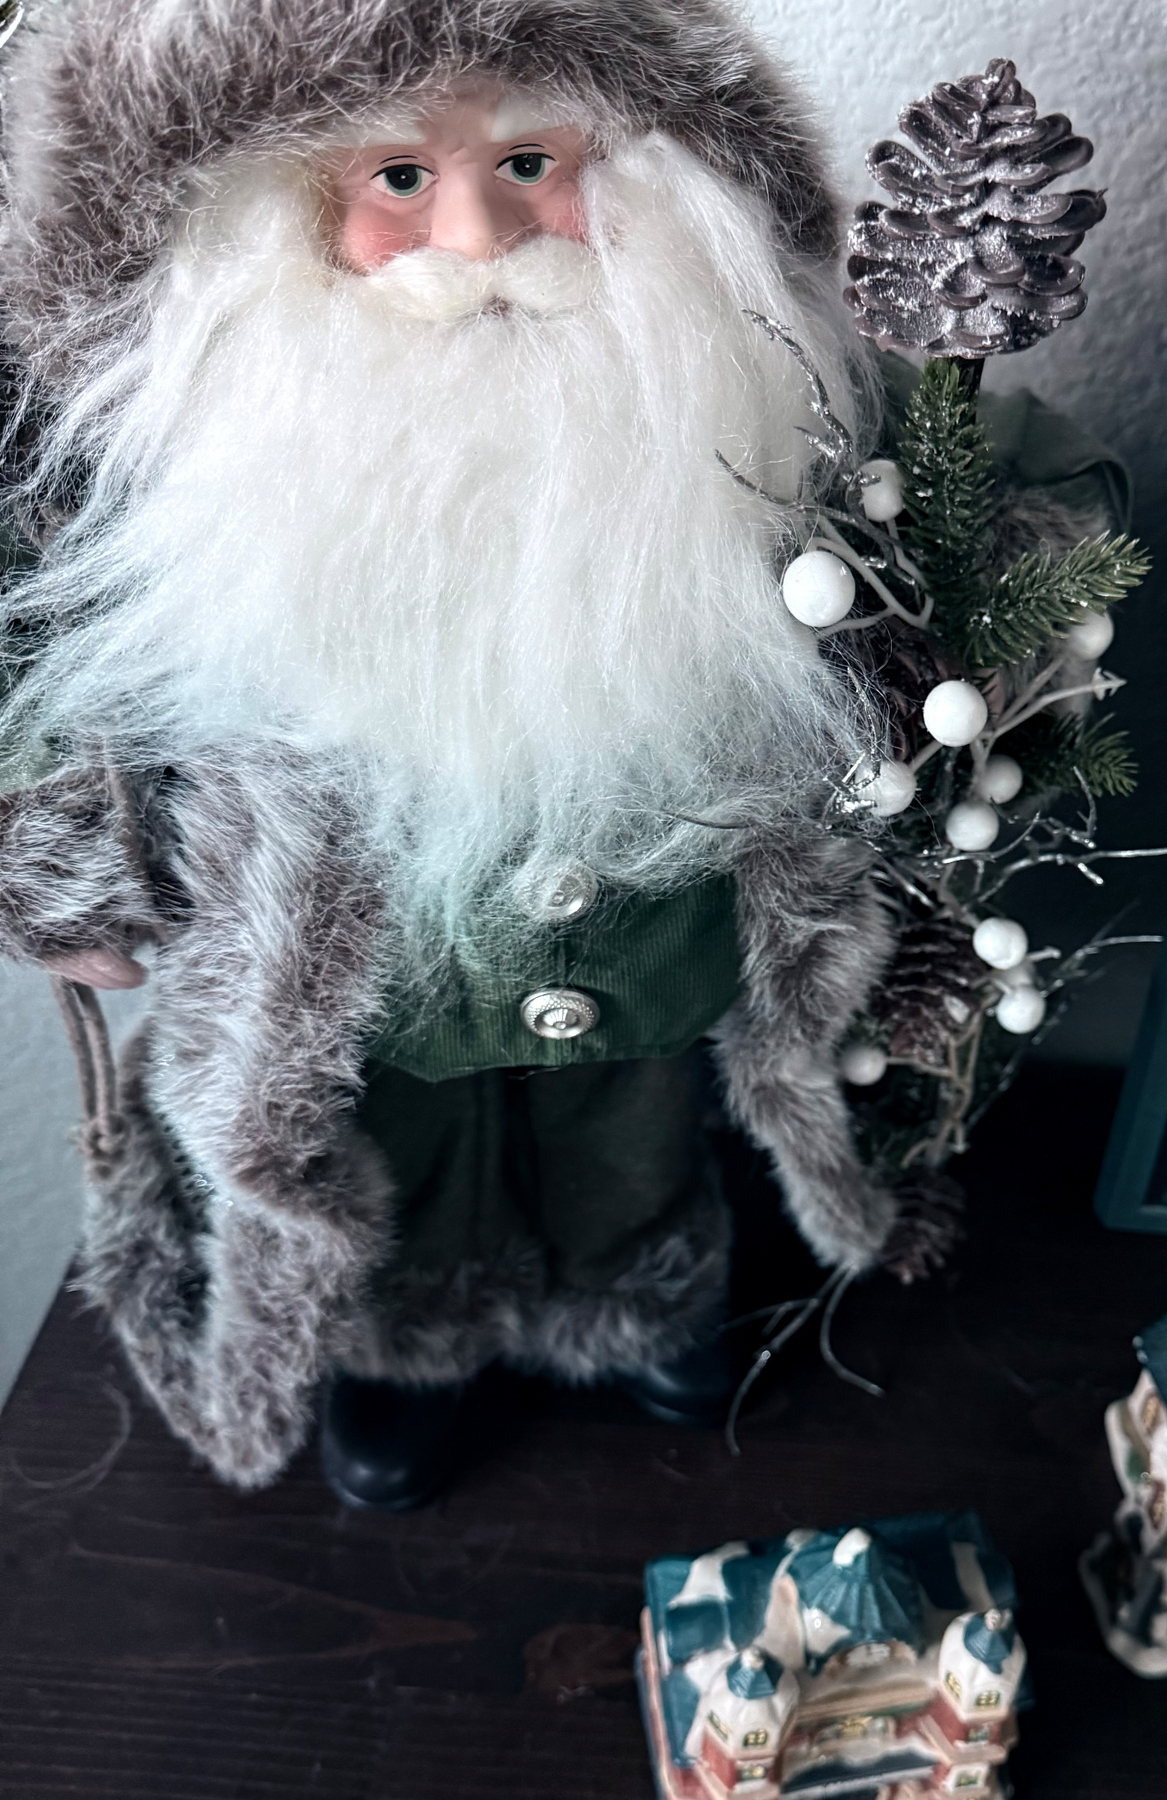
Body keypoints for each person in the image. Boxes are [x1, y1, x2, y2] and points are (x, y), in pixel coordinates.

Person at [0, 0, 937, 1507]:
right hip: (360, 960)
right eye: (393, 181)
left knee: (626, 1129)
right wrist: (53, 845)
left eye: (526, 160)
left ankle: (637, 1287)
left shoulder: (737, 409)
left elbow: (955, 504)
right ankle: (409, 1346)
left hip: (647, 922)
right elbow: (44, 660)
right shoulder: (195, 461)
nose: (479, 239)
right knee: (386, 1149)